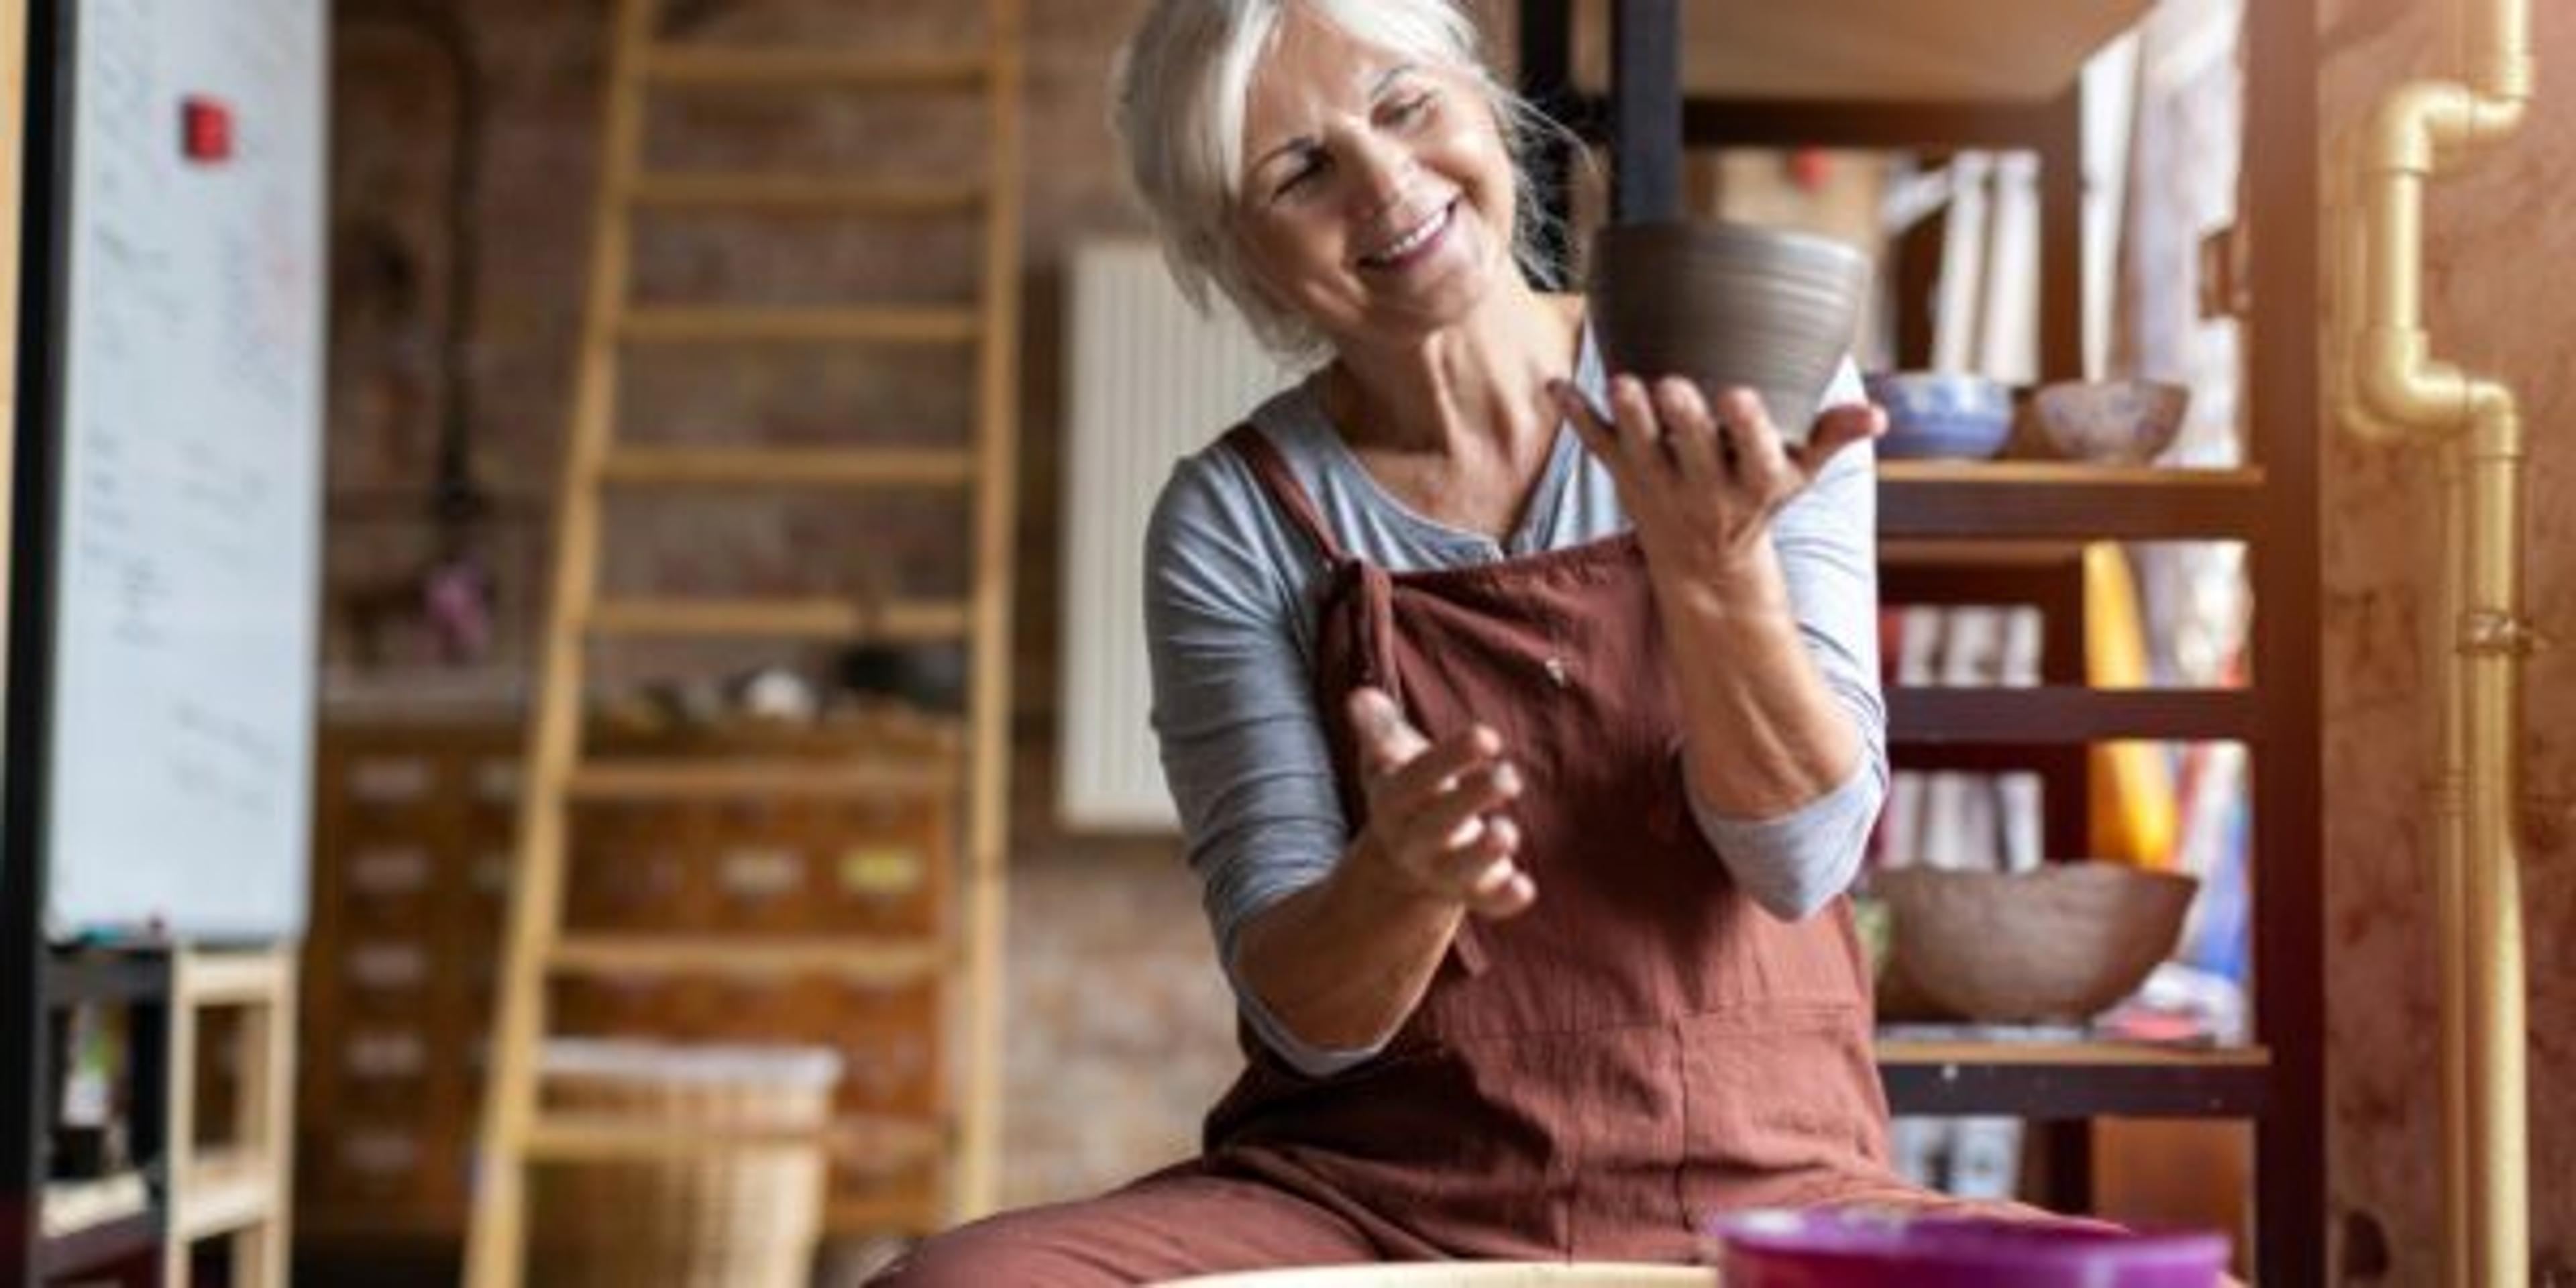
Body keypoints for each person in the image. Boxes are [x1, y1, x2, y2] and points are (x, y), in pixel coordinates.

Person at [875, 1, 1998, 1281]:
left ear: (1485, 107)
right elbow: (1308, 1020)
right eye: (1301, 170)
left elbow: (1803, 860)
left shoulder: (1730, 374)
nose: (1387, 183)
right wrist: (1401, 877)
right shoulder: (1236, 516)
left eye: (1407, 106)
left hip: (1767, 1172)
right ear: (1234, 257)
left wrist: (1718, 570)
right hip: (1371, 1194)